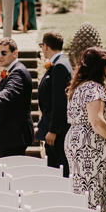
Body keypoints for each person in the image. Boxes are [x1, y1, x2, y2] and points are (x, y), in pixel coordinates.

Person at [65, 47, 106, 212]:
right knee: (93, 191)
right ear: (100, 67)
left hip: (78, 141)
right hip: (90, 144)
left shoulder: (81, 87)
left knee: (81, 190)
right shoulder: (94, 88)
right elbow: (97, 121)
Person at [37, 31, 73, 177]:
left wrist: (53, 130)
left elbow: (59, 102)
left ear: (45, 46)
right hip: (53, 127)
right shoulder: (61, 63)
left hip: (58, 133)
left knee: (58, 170)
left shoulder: (59, 66)